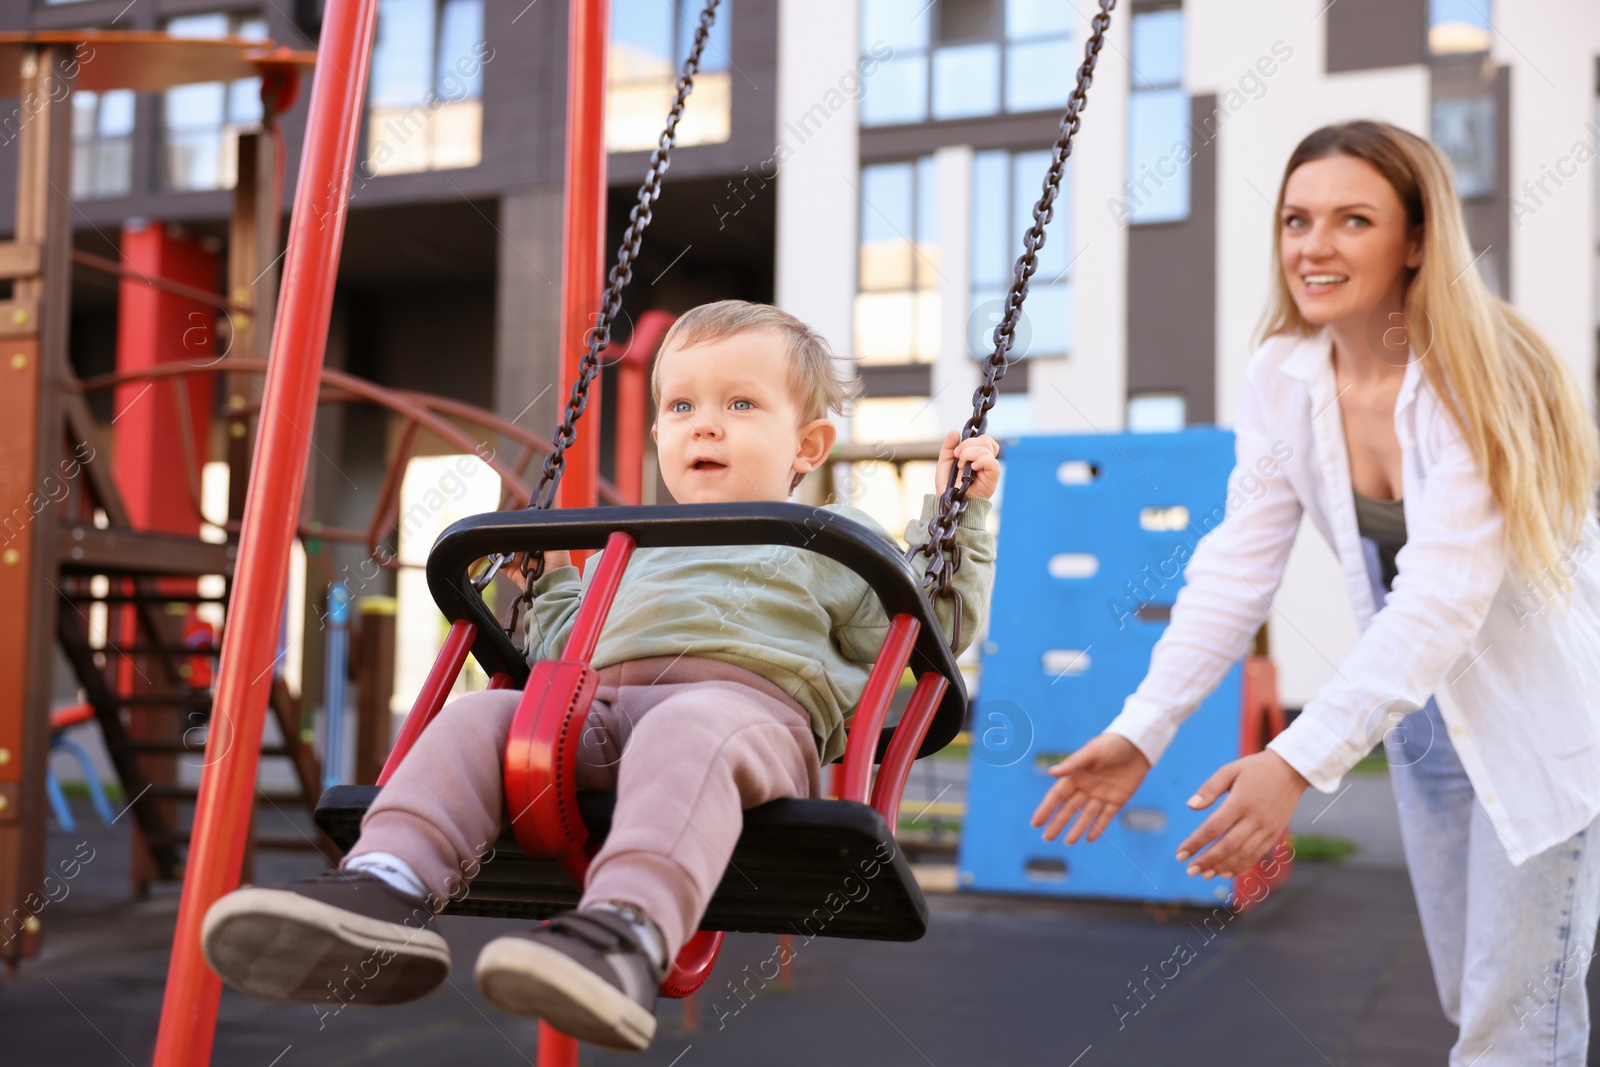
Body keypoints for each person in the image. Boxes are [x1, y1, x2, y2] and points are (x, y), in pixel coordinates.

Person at [202, 299, 999, 1052]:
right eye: (681, 406)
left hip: (748, 719)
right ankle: (386, 886)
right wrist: (550, 584)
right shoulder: (635, 544)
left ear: (808, 446)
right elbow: (562, 654)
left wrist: (953, 522)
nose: (705, 425)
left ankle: (625, 930)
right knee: (487, 717)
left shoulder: (828, 542)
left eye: (741, 405)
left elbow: (931, 627)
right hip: (600, 712)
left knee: (690, 727)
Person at [1032, 120, 1600, 1066]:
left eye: (1352, 219)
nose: (1314, 245)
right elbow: (1236, 563)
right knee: (1475, 1004)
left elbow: (1441, 596)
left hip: (1539, 723)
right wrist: (1147, 723)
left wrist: (1291, 763)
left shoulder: (1480, 375)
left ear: (1417, 241)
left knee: (1516, 1031)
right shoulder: (1286, 376)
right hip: (1425, 725)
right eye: (1297, 219)